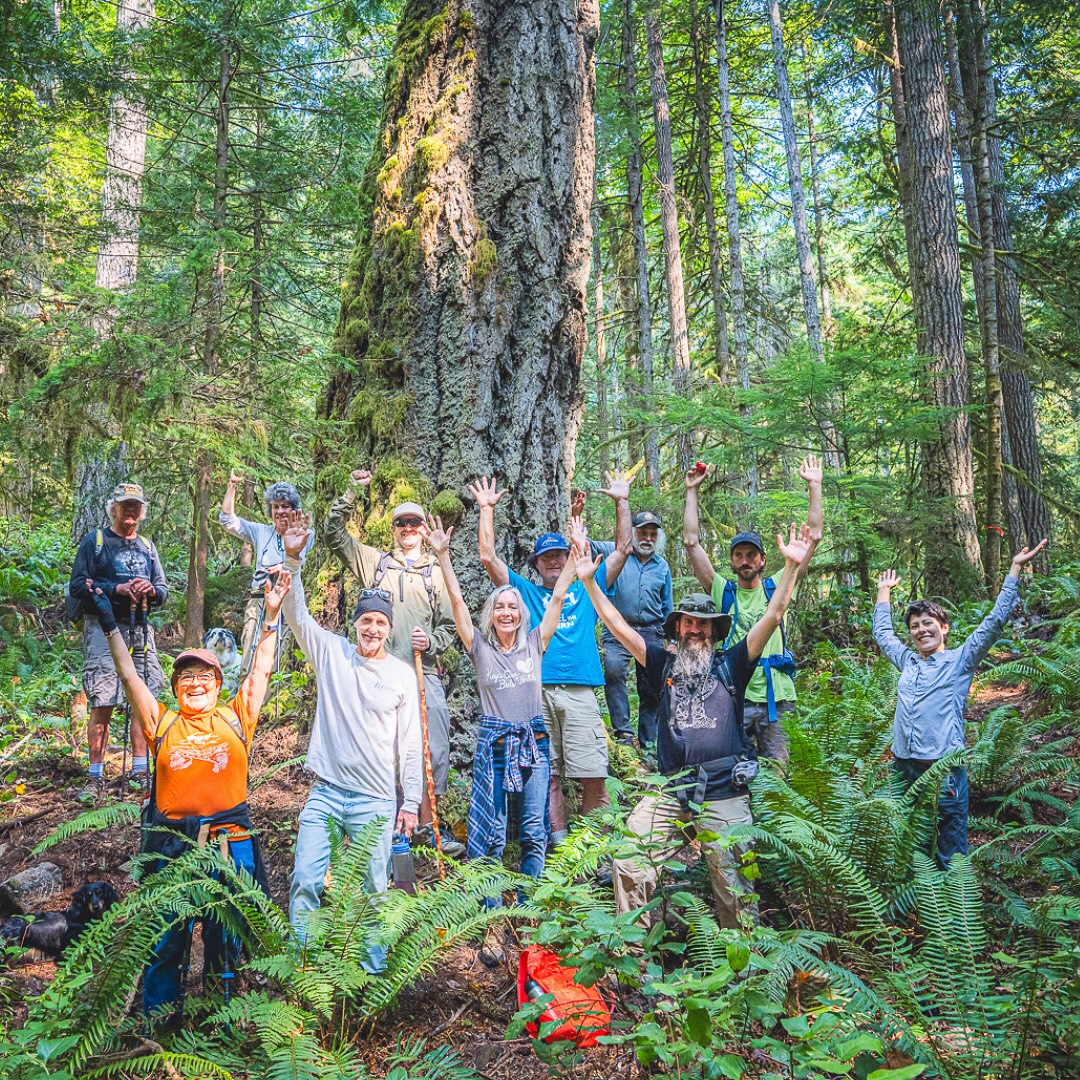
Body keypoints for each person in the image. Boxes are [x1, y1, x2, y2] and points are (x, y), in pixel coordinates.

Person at [572, 525, 812, 928]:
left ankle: (742, 965)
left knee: (734, 880)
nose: (695, 630)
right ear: (677, 629)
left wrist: (790, 566)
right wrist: (589, 584)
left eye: (703, 624)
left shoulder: (733, 663)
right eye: (688, 624)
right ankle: (634, 960)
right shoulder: (660, 664)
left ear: (716, 632)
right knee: (631, 858)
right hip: (671, 789)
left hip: (723, 790)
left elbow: (774, 614)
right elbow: (616, 625)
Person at [81, 567, 290, 1024]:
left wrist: (271, 615)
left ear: (218, 685)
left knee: (225, 940)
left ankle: (222, 1021)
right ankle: (161, 1024)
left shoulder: (237, 718)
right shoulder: (163, 722)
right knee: (166, 939)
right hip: (173, 849)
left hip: (230, 848)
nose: (196, 684)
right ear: (176, 688)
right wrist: (110, 624)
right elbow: (128, 674)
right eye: (187, 678)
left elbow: (261, 669)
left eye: (205, 677)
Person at [421, 515, 574, 965]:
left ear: (521, 613)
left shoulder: (534, 642)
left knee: (532, 831)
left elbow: (559, 596)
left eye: (512, 606)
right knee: (488, 837)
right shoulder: (480, 648)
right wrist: (443, 556)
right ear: (493, 615)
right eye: (500, 606)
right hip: (494, 741)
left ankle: (525, 917)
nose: (506, 611)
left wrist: (575, 553)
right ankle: (490, 921)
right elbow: (457, 603)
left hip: (533, 741)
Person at [280, 511, 422, 969]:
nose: (373, 629)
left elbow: (411, 744)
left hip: (376, 799)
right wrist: (293, 559)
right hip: (325, 793)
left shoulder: (401, 675)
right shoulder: (332, 654)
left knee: (373, 891)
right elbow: (296, 615)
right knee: (305, 877)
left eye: (381, 622)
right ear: (355, 624)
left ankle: (371, 975)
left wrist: (411, 801)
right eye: (366, 621)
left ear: (390, 628)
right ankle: (303, 969)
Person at [473, 475, 629, 845]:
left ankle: (596, 850)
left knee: (593, 773)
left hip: (580, 693)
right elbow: (487, 557)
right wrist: (486, 509)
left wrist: (621, 501)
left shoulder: (588, 585)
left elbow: (623, 550)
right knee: (549, 775)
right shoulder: (522, 592)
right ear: (537, 564)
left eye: (560, 554)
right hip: (535, 694)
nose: (554, 561)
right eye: (547, 557)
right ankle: (560, 850)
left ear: (571, 557)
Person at [873, 540, 1047, 869]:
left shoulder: (960, 662)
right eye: (915, 626)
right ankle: (924, 906)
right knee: (912, 842)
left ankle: (956, 911)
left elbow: (994, 623)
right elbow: (883, 635)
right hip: (903, 768)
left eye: (928, 624)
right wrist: (884, 593)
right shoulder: (908, 662)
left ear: (944, 628)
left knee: (949, 846)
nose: (921, 630)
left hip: (941, 769)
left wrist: (1014, 570)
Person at [324, 470, 461, 856]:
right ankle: (383, 823)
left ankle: (428, 822)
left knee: (433, 747)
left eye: (414, 522)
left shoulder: (437, 571)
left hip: (421, 671)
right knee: (381, 748)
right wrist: (352, 491)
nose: (408, 528)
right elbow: (334, 535)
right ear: (394, 529)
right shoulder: (375, 562)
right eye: (401, 522)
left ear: (422, 528)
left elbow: (452, 624)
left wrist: (431, 640)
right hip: (378, 673)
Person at [683, 456, 824, 763]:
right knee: (733, 768)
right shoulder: (723, 591)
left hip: (778, 697)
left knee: (777, 776)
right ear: (732, 562)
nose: (745, 560)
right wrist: (692, 491)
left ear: (762, 560)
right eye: (738, 555)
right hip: (734, 695)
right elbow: (692, 542)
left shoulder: (778, 586)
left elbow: (812, 538)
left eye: (751, 555)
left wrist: (815, 486)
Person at [68, 482, 168, 801]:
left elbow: (163, 590)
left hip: (140, 628)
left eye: (136, 506)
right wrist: (115, 590)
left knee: (143, 698)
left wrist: (150, 591)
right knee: (103, 699)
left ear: (142, 511)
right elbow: (77, 586)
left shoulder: (147, 548)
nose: (131, 511)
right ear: (114, 507)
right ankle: (95, 776)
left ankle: (140, 770)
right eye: (125, 505)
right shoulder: (95, 542)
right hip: (102, 628)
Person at [591, 508, 672, 748]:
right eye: (642, 533)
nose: (647, 538)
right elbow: (583, 542)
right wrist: (576, 513)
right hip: (617, 630)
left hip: (652, 631)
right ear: (633, 533)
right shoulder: (614, 551)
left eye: (652, 534)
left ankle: (649, 740)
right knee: (614, 670)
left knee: (653, 684)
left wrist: (673, 639)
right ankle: (623, 734)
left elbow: (667, 605)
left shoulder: (662, 566)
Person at [218, 472, 313, 677]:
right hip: (259, 599)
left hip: (290, 602)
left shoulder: (306, 536)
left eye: (285, 506)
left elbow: (309, 566)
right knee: (250, 658)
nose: (279, 511)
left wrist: (286, 568)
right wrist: (232, 485)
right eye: (275, 506)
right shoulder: (260, 531)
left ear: (294, 509)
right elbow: (227, 520)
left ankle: (271, 706)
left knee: (282, 660)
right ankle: (245, 702)